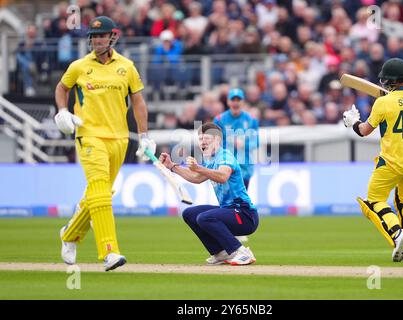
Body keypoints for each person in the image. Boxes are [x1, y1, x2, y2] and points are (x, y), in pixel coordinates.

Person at [54, 16, 155, 271]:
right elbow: (61, 89)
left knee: (100, 195)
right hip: (89, 135)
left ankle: (69, 234)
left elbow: (139, 103)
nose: (97, 40)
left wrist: (144, 136)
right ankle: (109, 252)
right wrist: (62, 112)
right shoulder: (78, 66)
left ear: (113, 37)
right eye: (94, 36)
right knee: (100, 192)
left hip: (119, 139)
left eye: (102, 36)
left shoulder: (127, 67)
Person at [343, 58, 403, 262]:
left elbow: (364, 131)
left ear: (390, 81)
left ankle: (397, 234)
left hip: (391, 161)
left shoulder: (383, 102)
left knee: (374, 200)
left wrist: (353, 122)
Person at [158, 123, 259, 265]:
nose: (202, 142)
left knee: (205, 218)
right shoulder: (210, 159)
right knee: (189, 214)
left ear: (217, 140)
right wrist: (172, 166)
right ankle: (221, 253)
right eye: (200, 139)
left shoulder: (225, 156)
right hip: (229, 211)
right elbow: (196, 178)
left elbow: (223, 176)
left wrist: (198, 168)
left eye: (206, 138)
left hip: (245, 215)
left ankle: (241, 252)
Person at [214, 88, 259, 243]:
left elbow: (256, 141)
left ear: (242, 101)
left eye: (238, 99)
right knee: (225, 198)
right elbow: (215, 140)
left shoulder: (250, 120)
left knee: (240, 198)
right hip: (226, 165)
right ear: (228, 102)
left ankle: (237, 228)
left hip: (244, 167)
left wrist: (243, 143)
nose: (235, 102)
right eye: (233, 99)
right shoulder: (219, 119)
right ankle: (229, 228)